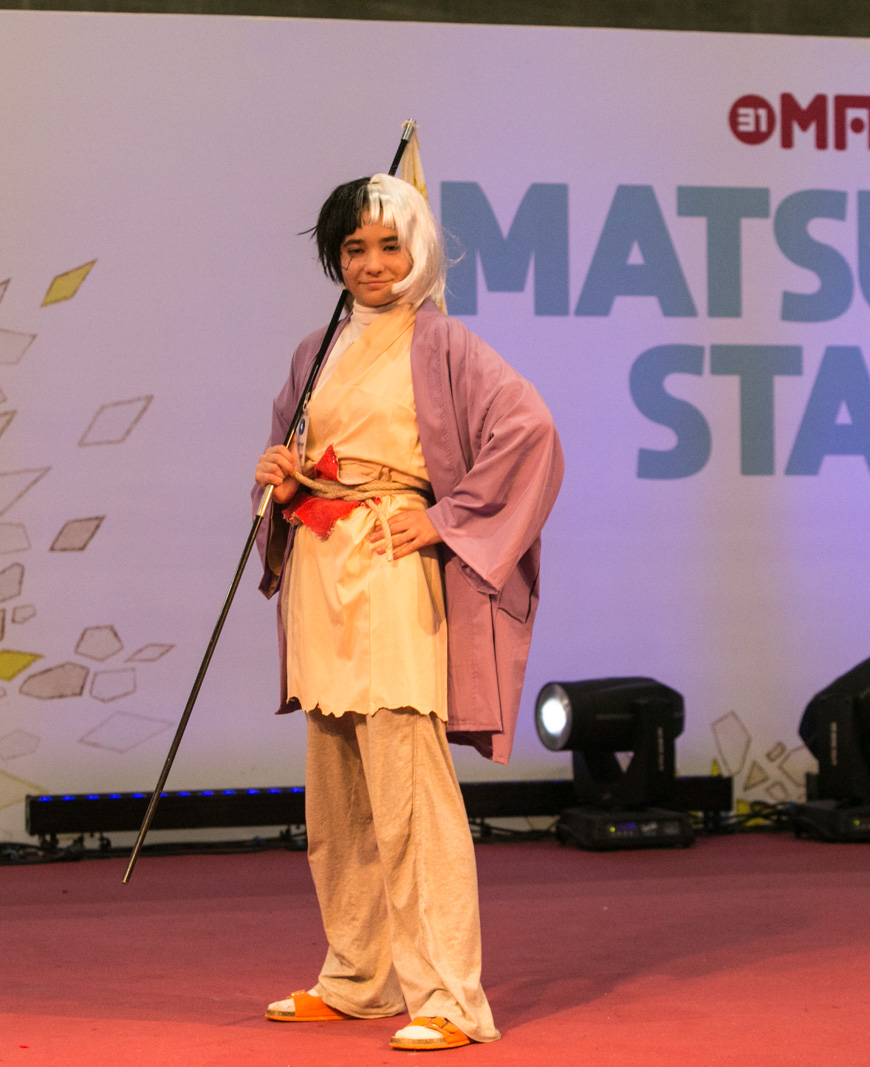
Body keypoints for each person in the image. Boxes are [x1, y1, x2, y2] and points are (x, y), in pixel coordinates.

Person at [254, 173, 563, 1052]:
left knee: (409, 787)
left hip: (391, 570)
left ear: (419, 250)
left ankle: (450, 996)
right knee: (338, 786)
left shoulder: (445, 343)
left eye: (390, 246)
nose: (373, 264)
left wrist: (445, 519)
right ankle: (359, 976)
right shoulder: (316, 348)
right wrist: (283, 480)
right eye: (355, 248)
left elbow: (531, 431)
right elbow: (302, 452)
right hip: (323, 566)